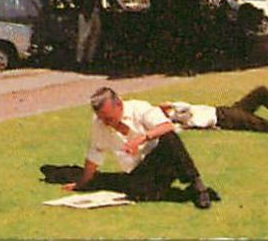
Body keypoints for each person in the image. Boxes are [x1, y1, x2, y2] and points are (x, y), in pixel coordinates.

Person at [56, 86, 217, 207]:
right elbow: (94, 156)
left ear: (118, 104)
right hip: (139, 173)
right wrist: (82, 184)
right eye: (102, 118)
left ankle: (197, 186)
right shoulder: (99, 124)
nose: (105, 122)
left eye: (109, 118)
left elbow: (167, 127)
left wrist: (142, 138)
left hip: (162, 160)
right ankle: (183, 194)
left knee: (169, 138)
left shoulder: (139, 108)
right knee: (136, 193)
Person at [159, 86, 268, 137]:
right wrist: (170, 108)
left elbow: (179, 106)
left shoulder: (177, 113)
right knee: (263, 125)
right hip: (225, 118)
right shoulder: (182, 119)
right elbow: (183, 111)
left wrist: (169, 106)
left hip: (226, 110)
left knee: (261, 92)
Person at [74, 0, 104, 67]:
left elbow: (98, 0)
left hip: (95, 12)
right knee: (83, 37)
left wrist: (100, 10)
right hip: (85, 13)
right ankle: (79, 60)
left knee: (94, 36)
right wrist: (82, 8)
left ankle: (89, 59)